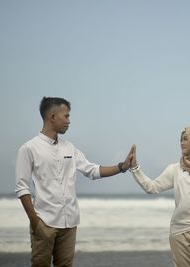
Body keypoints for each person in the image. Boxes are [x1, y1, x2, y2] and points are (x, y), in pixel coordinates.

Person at [15, 97, 133, 267]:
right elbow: (22, 188)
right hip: (44, 222)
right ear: (53, 117)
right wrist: (35, 222)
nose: (69, 121)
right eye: (66, 116)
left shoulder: (69, 147)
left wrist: (122, 166)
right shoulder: (29, 148)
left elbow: (92, 170)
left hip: (70, 222)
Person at [128, 127, 190, 267]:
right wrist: (135, 168)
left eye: (186, 139)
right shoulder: (175, 169)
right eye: (181, 139)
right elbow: (152, 187)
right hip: (179, 231)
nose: (182, 143)